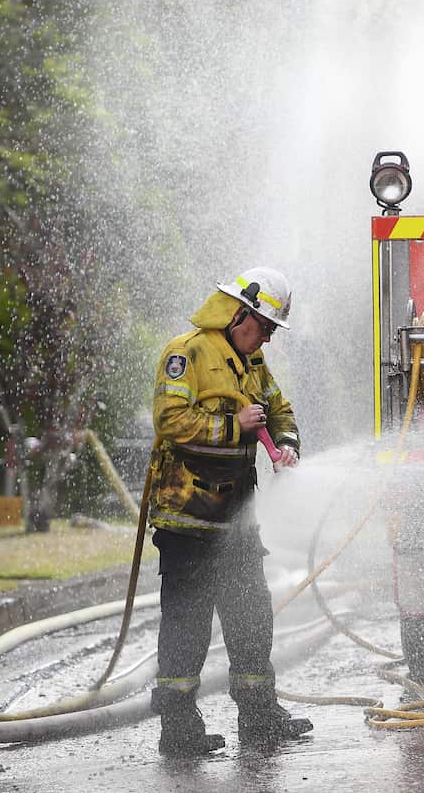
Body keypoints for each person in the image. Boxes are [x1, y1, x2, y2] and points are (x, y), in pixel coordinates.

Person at [147, 266, 312, 756]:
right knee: (187, 625)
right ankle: (178, 731)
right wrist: (234, 425)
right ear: (240, 312)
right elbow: (171, 420)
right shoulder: (186, 353)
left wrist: (284, 445)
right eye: (263, 326)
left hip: (236, 522)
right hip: (189, 520)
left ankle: (259, 718)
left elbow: (280, 409)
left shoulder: (252, 363)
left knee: (251, 618)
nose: (266, 337)